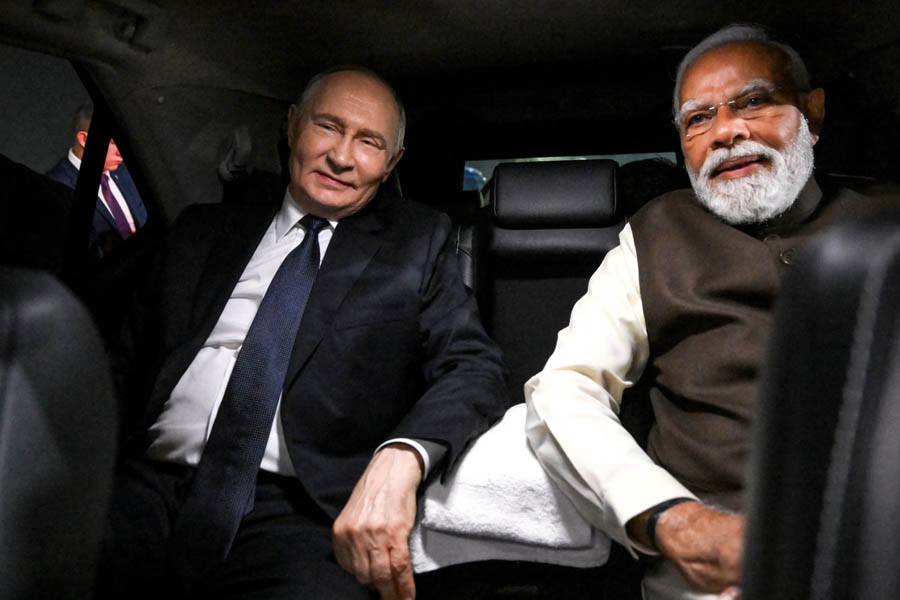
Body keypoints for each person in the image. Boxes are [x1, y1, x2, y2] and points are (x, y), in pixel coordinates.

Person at [99, 67, 507, 599]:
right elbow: (119, 362)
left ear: (392, 163)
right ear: (293, 126)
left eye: (369, 142)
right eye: (328, 127)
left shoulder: (417, 243)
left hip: (299, 511)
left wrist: (402, 456)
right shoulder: (201, 230)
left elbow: (473, 367)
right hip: (143, 486)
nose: (342, 156)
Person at [524, 24, 895, 600]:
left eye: (754, 102)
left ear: (813, 115)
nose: (727, 131)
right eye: (698, 119)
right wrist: (674, 520)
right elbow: (567, 387)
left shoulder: (885, 222)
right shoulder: (655, 234)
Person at [46, 102, 147, 256]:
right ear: (85, 139)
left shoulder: (125, 171)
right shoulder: (55, 188)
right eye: (112, 142)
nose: (120, 152)